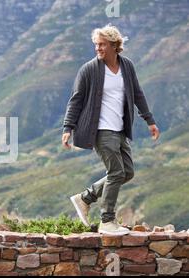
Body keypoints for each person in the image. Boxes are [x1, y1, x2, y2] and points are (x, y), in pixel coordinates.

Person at [62, 24, 160, 235]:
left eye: (103, 44)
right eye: (96, 44)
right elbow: (76, 100)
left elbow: (137, 93)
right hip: (100, 129)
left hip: (119, 129)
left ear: (115, 45)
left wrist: (149, 120)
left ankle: (86, 197)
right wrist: (67, 127)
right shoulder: (89, 69)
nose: (98, 48)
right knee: (116, 172)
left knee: (127, 172)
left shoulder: (127, 66)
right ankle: (107, 221)